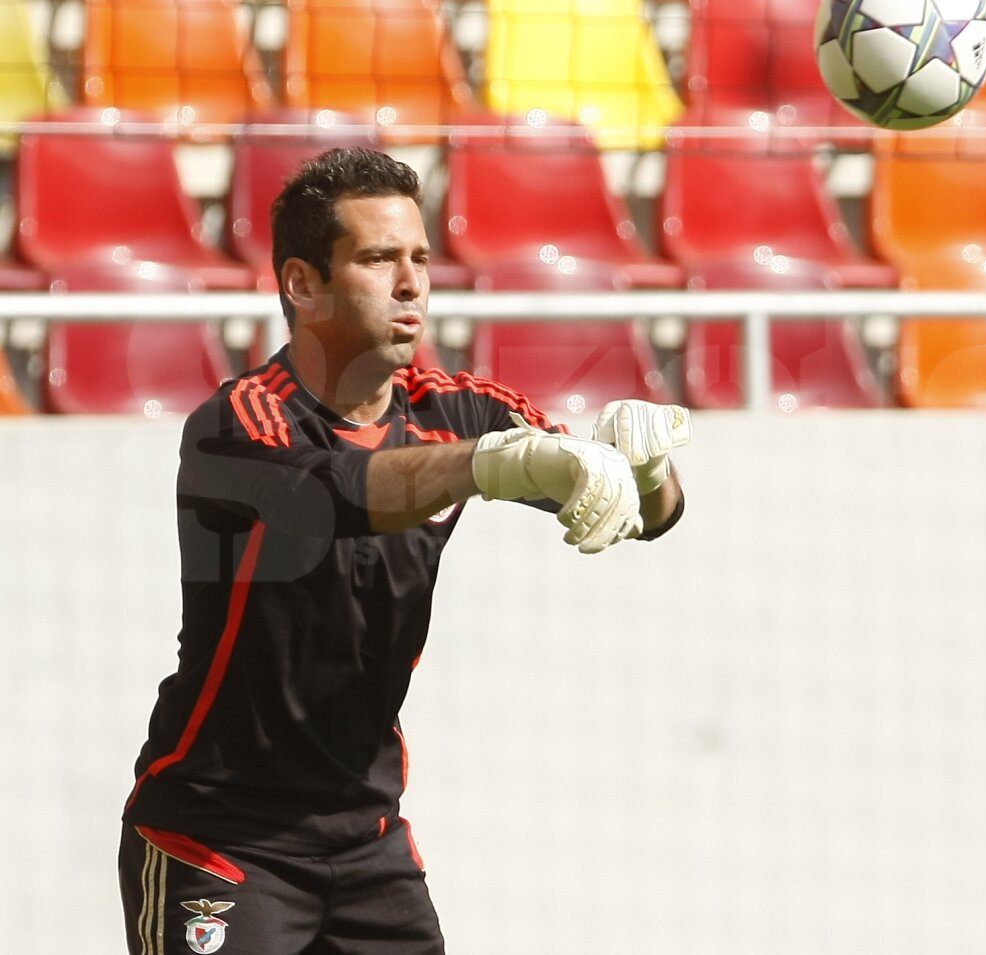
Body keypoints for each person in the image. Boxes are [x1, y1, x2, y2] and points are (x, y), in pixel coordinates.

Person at [117, 146, 688, 954]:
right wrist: (490, 464)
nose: (413, 281)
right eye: (379, 258)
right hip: (217, 841)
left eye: (420, 257)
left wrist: (645, 467)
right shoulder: (235, 423)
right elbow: (338, 493)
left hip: (368, 842)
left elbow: (645, 515)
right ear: (302, 284)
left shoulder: (462, 410)